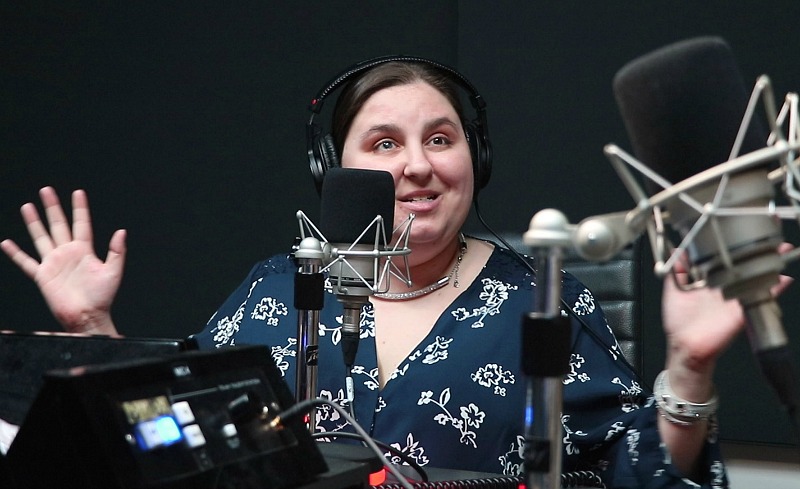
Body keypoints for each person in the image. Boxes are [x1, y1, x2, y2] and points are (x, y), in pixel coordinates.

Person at [1, 56, 792, 488]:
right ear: (335, 172)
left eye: (440, 138)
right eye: (383, 144)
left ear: (475, 161)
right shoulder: (280, 287)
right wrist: (93, 332)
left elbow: (639, 477)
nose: (417, 166)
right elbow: (182, 442)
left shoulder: (544, 299)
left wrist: (690, 366)